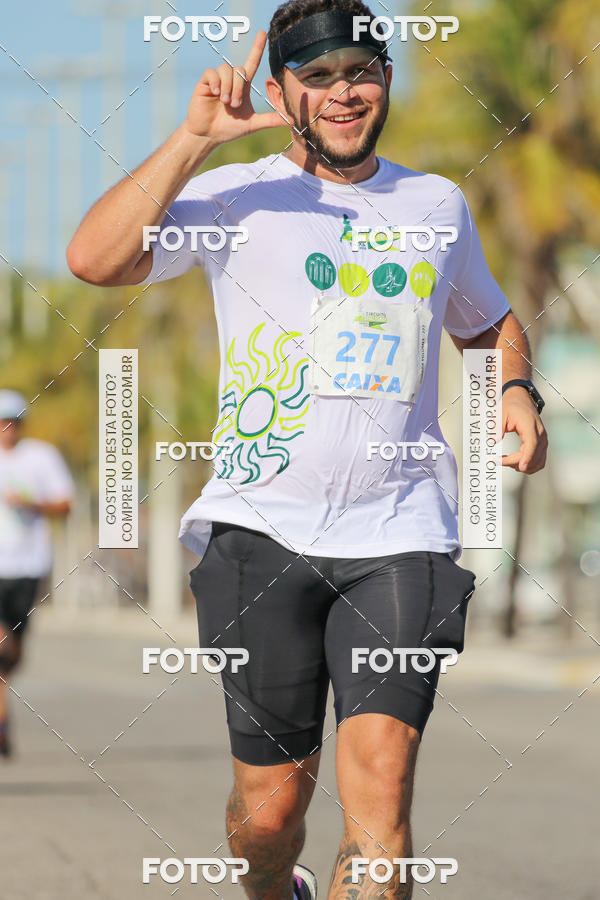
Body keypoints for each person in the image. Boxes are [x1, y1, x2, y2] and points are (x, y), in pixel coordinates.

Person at [67, 0, 548, 896]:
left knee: (383, 800)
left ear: (386, 79)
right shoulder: (233, 195)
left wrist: (515, 387)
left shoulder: (434, 203)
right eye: (317, 77)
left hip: (401, 534)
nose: (342, 93)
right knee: (269, 817)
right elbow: (94, 260)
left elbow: (488, 324)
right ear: (283, 90)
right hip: (259, 534)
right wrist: (195, 139)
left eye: (359, 72)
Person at [0, 390, 73, 757]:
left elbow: (65, 504)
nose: (7, 429)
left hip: (28, 566)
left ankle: (2, 716)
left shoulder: (41, 457)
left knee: (13, 653)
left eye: (13, 421)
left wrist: (31, 502)